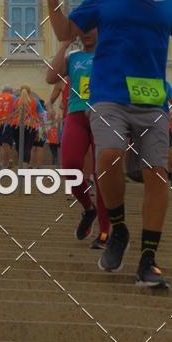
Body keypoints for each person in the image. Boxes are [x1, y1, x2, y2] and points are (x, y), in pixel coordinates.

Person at [39, 0, 172, 289]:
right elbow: (65, 30)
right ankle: (120, 227)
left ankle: (148, 259)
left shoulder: (171, 1)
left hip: (152, 100)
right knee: (108, 156)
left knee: (157, 173)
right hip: (108, 95)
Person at [46, 33, 110, 249]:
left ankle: (104, 232)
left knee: (103, 176)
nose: (88, 33)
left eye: (94, 28)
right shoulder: (73, 57)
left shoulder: (111, 54)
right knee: (70, 167)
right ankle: (88, 208)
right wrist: (64, 43)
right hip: (76, 115)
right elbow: (50, 77)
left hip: (104, 116)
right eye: (84, 28)